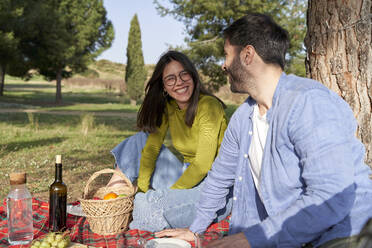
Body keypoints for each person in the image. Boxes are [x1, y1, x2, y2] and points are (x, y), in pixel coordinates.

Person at [155, 13, 372, 247]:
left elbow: (330, 196)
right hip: (291, 237)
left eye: (227, 55)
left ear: (247, 55)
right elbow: (219, 178)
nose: (224, 64)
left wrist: (251, 238)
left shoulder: (308, 103)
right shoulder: (243, 118)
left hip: (344, 233)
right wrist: (195, 229)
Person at [108, 50, 232, 232]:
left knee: (147, 205)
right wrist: (142, 188)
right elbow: (151, 149)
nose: (179, 82)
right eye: (171, 78)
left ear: (193, 77)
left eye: (184, 74)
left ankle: (136, 205)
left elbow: (203, 165)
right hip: (187, 173)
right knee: (140, 140)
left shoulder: (209, 106)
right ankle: (109, 202)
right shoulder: (170, 107)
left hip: (216, 186)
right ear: (164, 86)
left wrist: (171, 193)